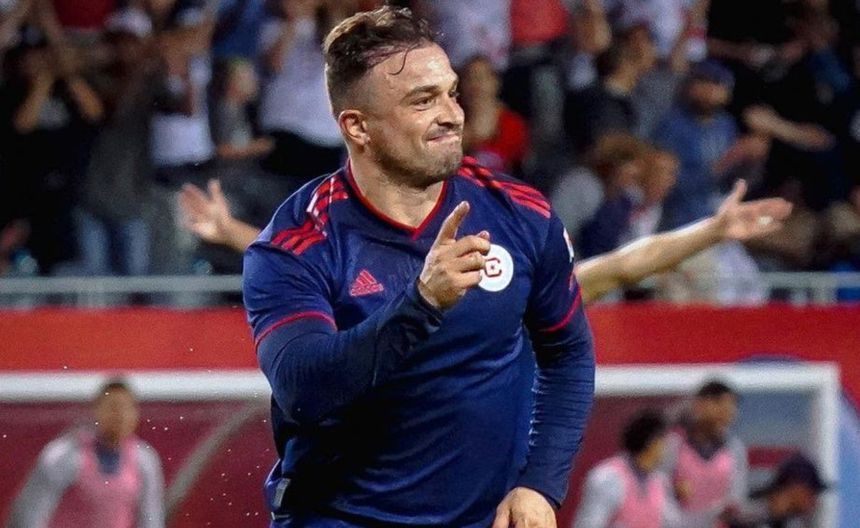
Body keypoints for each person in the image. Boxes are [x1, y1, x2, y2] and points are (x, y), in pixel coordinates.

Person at [242, 6, 595, 527]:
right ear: (357, 127)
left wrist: (541, 483)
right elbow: (304, 390)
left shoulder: (521, 214)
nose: (453, 114)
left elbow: (568, 353)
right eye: (423, 101)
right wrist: (422, 304)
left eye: (451, 93)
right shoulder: (299, 244)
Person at [181, 176, 790, 305]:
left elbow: (625, 265)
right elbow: (303, 260)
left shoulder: (519, 295)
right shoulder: (397, 286)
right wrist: (231, 232)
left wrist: (714, 229)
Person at [6, 378, 165, 528]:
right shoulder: (64, 456)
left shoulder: (145, 460)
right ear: (97, 410)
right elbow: (30, 515)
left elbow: (151, 519)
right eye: (113, 408)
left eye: (127, 408)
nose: (121, 416)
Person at [573, 409, 718, 528]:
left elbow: (676, 524)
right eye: (665, 441)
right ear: (652, 442)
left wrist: (715, 513)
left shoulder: (659, 482)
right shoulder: (608, 478)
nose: (668, 448)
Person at [660, 380, 748, 524]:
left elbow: (736, 498)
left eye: (732, 407)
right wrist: (674, 492)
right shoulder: (673, 444)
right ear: (699, 405)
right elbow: (658, 492)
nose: (728, 413)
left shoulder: (735, 449)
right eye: (720, 405)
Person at [721, 452, 828, 528]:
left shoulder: (792, 519)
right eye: (812, 492)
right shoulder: (748, 512)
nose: (815, 500)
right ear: (795, 487)